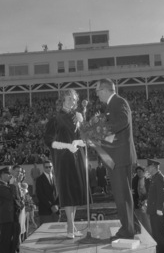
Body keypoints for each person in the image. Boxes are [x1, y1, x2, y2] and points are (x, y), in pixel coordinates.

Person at [95, 79, 138, 239]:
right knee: (124, 194)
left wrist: (99, 128)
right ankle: (133, 225)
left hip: (119, 157)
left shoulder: (119, 102)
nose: (97, 94)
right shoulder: (113, 105)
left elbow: (122, 122)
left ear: (105, 90)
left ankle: (127, 231)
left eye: (97, 91)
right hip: (118, 156)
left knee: (122, 195)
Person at [44, 89, 87, 239]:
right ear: (62, 100)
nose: (72, 102)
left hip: (77, 157)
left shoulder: (77, 117)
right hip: (63, 158)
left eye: (74, 99)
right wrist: (67, 146)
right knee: (68, 191)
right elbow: (49, 141)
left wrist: (81, 129)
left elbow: (85, 138)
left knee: (74, 192)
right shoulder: (56, 119)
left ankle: (72, 224)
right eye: (69, 99)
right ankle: (69, 225)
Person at [146, 158, 164, 253]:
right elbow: (151, 194)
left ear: (153, 167)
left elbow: (161, 194)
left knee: (159, 233)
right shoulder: (154, 177)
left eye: (149, 166)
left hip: (157, 211)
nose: (147, 168)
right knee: (156, 232)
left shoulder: (159, 177)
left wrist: (159, 208)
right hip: (153, 210)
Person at [0, 166, 16, 253]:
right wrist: (12, 184)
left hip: (9, 216)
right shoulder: (1, 187)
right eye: (8, 174)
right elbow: (11, 196)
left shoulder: (6, 186)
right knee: (5, 240)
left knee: (9, 240)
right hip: (5, 217)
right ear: (2, 175)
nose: (10, 176)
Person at [35, 160, 61, 226]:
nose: (49, 168)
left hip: (56, 211)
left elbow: (59, 193)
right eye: (46, 167)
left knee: (56, 232)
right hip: (45, 211)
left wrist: (57, 205)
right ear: (43, 168)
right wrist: (51, 206)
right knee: (46, 233)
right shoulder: (39, 179)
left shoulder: (56, 178)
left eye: (50, 167)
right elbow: (40, 195)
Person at [131, 165, 152, 235]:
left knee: (146, 221)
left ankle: (150, 235)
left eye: (140, 171)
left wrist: (146, 200)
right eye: (137, 172)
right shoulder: (135, 180)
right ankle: (141, 235)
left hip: (146, 203)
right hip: (137, 203)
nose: (138, 173)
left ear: (143, 172)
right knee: (138, 220)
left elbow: (150, 191)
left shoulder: (148, 179)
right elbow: (133, 191)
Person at [10, 165, 24, 253]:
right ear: (12, 171)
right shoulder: (12, 181)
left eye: (20, 171)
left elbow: (20, 195)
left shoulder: (17, 181)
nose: (18, 173)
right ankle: (14, 250)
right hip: (14, 209)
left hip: (19, 208)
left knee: (18, 230)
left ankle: (17, 248)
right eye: (17, 171)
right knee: (15, 230)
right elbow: (14, 197)